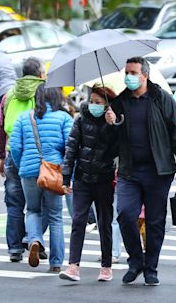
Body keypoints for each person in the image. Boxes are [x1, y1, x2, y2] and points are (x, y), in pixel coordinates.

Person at [104, 56, 176, 286]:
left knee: (155, 221)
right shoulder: (120, 102)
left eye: (133, 73)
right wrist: (111, 123)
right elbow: (111, 142)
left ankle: (151, 267)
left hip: (158, 171)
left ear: (145, 75)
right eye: (127, 72)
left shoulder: (162, 99)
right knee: (124, 214)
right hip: (129, 171)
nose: (128, 77)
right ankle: (135, 261)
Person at [10, 84, 73, 273]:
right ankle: (56, 262)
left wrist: (23, 165)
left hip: (29, 171)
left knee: (33, 210)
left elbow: (15, 147)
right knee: (55, 217)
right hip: (53, 171)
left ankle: (35, 240)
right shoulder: (63, 118)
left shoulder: (23, 118)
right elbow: (71, 146)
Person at [59, 85, 117, 283]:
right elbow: (71, 148)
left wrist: (113, 125)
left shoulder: (114, 121)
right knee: (78, 221)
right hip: (82, 178)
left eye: (98, 103)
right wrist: (66, 176)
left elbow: (117, 149)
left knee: (104, 223)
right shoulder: (81, 120)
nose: (93, 105)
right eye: (91, 101)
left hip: (104, 179)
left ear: (107, 105)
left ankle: (106, 266)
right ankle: (73, 266)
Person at [0, 57, 45, 262]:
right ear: (40, 73)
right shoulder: (44, 93)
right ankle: (33, 238)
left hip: (11, 153)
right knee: (41, 202)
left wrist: (1, 155)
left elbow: (1, 128)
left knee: (14, 203)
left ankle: (14, 248)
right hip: (37, 154)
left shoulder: (9, 95)